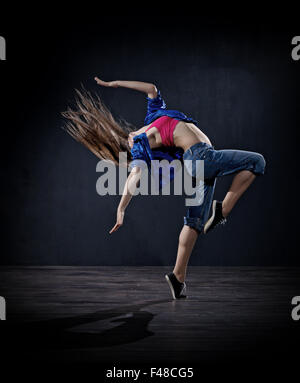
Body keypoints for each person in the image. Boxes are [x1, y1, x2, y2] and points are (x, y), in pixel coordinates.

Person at [62, 78, 266, 300]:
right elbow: (136, 175)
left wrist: (117, 83)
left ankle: (178, 278)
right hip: (201, 158)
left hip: (197, 164)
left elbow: (151, 89)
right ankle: (222, 210)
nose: (128, 140)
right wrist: (121, 209)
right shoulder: (141, 144)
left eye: (124, 138)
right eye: (126, 145)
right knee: (257, 162)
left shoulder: (154, 115)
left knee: (195, 223)